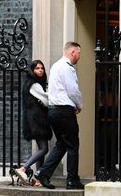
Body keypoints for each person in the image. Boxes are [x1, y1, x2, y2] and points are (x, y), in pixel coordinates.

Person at [34, 41, 85, 190]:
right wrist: (79, 105)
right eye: (79, 53)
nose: (79, 56)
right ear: (72, 52)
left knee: (62, 144)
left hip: (53, 111)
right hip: (64, 111)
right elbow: (72, 90)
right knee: (73, 145)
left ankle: (43, 173)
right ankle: (72, 180)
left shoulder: (56, 66)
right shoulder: (67, 67)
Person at [13, 60, 53, 186]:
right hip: (37, 119)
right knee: (44, 148)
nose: (40, 70)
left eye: (42, 68)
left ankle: (38, 179)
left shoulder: (32, 83)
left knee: (41, 149)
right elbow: (46, 100)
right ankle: (23, 168)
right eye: (37, 68)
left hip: (34, 119)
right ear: (32, 70)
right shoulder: (34, 84)